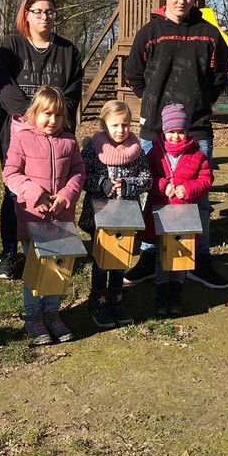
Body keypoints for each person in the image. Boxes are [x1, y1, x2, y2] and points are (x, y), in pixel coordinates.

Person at [124, 0, 228, 290]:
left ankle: (200, 258)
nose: (181, 0)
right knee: (155, 192)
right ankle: (148, 254)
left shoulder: (209, 34)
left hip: (196, 131)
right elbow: (134, 74)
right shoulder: (149, 32)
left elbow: (219, 77)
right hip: (154, 130)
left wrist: (198, 103)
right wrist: (154, 102)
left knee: (197, 196)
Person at [0, 0, 83, 280]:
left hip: (57, 136)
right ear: (26, 14)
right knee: (16, 192)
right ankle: (10, 252)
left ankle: (51, 245)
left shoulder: (68, 52)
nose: (45, 17)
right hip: (18, 133)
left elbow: (72, 94)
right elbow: (5, 89)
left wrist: (53, 119)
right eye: (38, 11)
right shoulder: (11, 46)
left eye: (50, 12)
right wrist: (32, 120)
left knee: (54, 189)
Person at [2, 85, 86, 345]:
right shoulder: (22, 138)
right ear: (33, 113)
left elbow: (78, 171)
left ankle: (52, 312)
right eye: (46, 114)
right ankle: (33, 317)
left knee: (57, 268)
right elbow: (11, 173)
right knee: (36, 269)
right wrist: (33, 193)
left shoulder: (69, 141)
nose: (52, 120)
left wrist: (67, 195)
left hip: (61, 217)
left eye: (58, 115)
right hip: (32, 218)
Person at [79, 100, 152, 329]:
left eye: (125, 124)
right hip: (100, 217)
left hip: (125, 217)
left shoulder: (136, 151)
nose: (121, 130)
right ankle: (99, 303)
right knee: (101, 262)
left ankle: (117, 301)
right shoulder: (93, 149)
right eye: (115, 125)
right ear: (104, 125)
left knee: (120, 260)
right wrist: (102, 183)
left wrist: (129, 184)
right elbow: (82, 175)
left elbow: (147, 179)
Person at [141, 103, 213, 316]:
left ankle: (176, 294)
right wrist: (162, 185)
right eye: (171, 132)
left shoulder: (197, 155)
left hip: (184, 215)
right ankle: (161, 294)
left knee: (180, 256)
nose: (176, 136)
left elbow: (206, 179)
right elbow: (147, 177)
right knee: (163, 256)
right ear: (164, 131)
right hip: (162, 213)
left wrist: (189, 189)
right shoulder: (156, 153)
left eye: (180, 132)